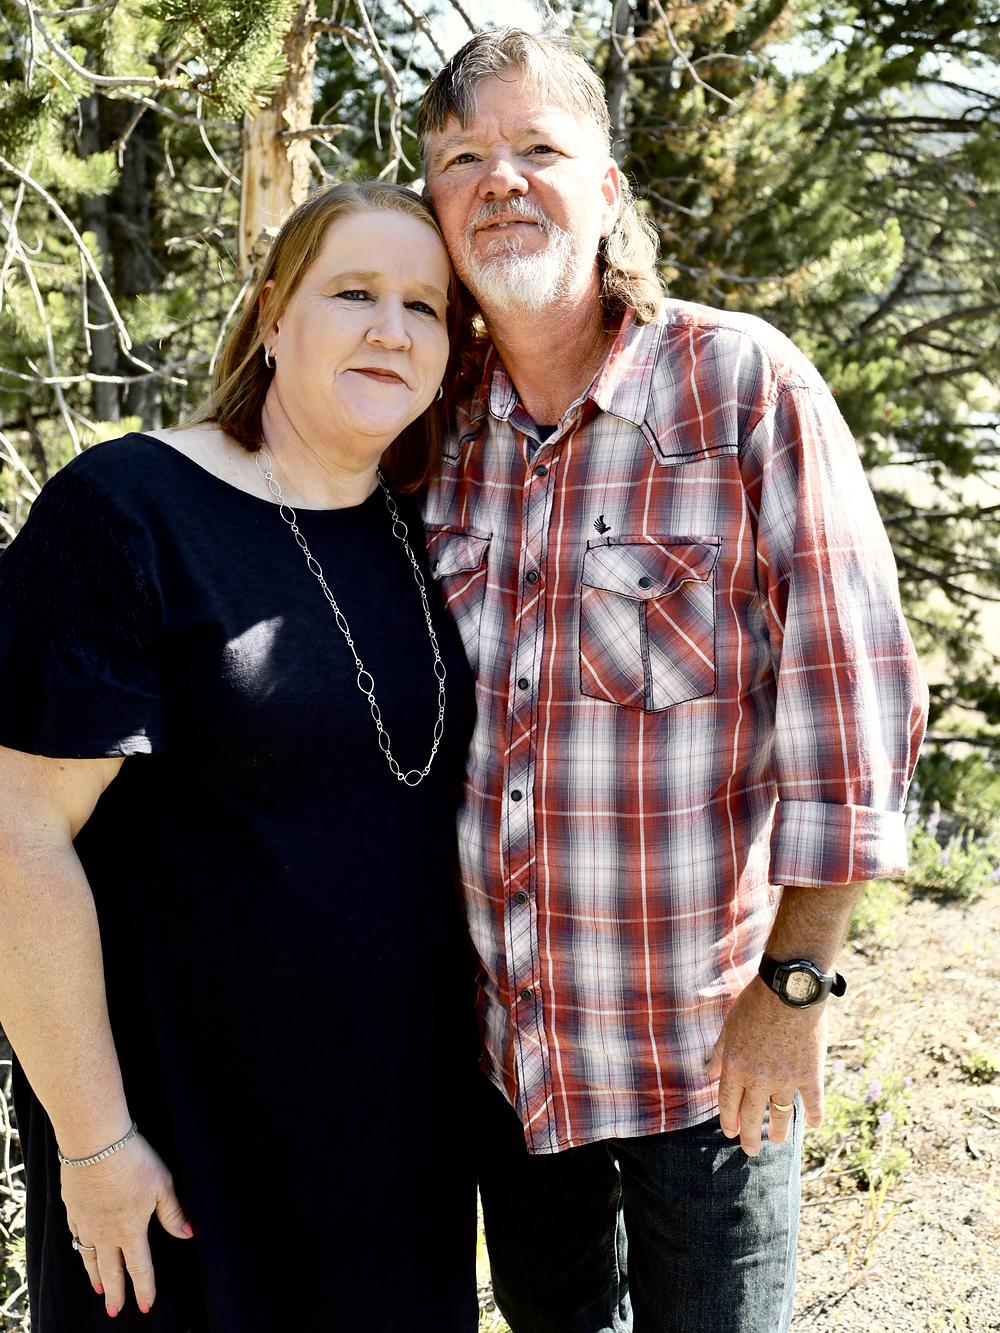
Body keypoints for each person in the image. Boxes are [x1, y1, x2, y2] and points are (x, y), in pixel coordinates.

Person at [416, 28, 929, 1333]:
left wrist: (794, 990)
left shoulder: (739, 385)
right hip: (509, 1061)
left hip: (706, 1057)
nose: (500, 182)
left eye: (538, 148)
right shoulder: (431, 422)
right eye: (462, 159)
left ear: (608, 188)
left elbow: (854, 701)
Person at [0, 181, 479, 1332]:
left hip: (395, 1159)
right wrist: (95, 1141)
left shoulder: (432, 531)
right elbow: (16, 833)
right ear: (271, 314)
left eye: (424, 305)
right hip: (179, 1166)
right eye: (353, 292)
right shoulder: (127, 510)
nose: (391, 328)